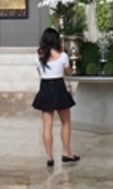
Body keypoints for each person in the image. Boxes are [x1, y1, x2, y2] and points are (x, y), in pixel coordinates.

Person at [32, 26, 78, 168]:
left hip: (45, 87)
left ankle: (50, 157)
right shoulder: (62, 55)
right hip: (58, 86)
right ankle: (66, 152)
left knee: (47, 125)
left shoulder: (38, 55)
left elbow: (40, 72)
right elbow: (68, 72)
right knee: (66, 122)